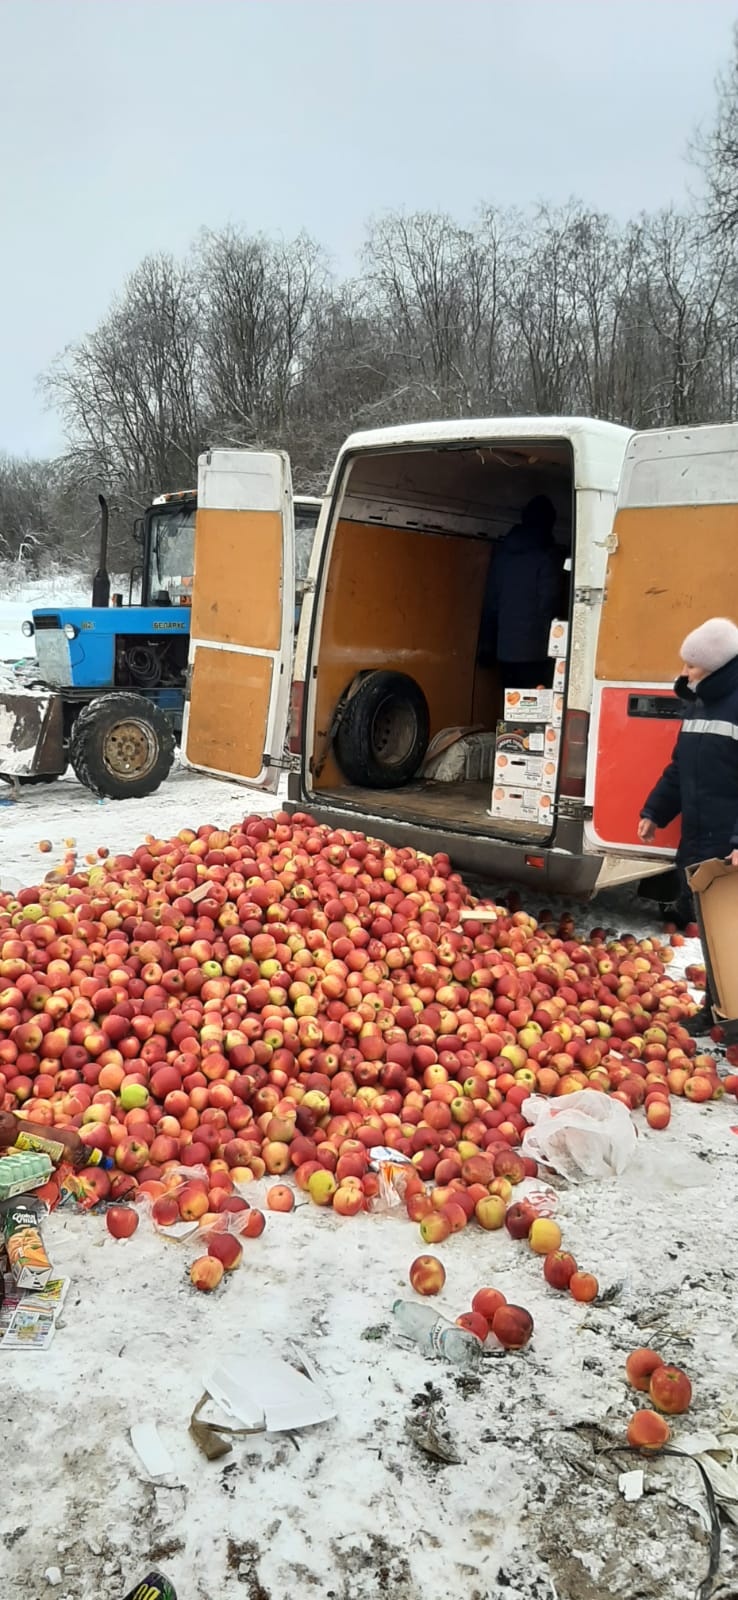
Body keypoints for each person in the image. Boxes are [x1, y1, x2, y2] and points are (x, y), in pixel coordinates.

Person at [638, 616, 738, 1035]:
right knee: (713, 935)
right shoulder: (698, 704)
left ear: (715, 667)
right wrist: (654, 812)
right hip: (700, 839)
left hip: (728, 843)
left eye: (691, 666)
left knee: (732, 934)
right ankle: (719, 1007)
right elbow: (680, 769)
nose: (684, 673)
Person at [478, 495, 563, 689]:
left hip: (505, 651)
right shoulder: (547, 557)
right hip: (536, 652)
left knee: (511, 707)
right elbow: (548, 605)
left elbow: (491, 603)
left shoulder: (504, 556)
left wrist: (488, 645)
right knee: (534, 709)